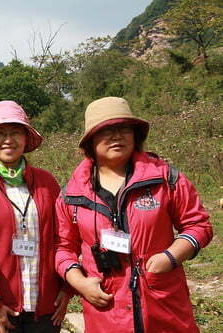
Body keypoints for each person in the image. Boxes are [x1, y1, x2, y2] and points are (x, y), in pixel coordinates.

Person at [55, 97, 213, 333]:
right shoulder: (72, 194)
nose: (117, 135)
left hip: (163, 306)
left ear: (135, 135)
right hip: (107, 313)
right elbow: (62, 247)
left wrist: (170, 257)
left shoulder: (164, 178)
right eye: (106, 130)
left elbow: (198, 225)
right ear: (91, 141)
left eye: (124, 128)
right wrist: (81, 283)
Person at [0, 100, 70, 333]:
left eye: (15, 132)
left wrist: (66, 288)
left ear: (25, 138)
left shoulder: (47, 183)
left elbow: (64, 238)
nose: (8, 139)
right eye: (0, 133)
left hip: (46, 308)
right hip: (2, 308)